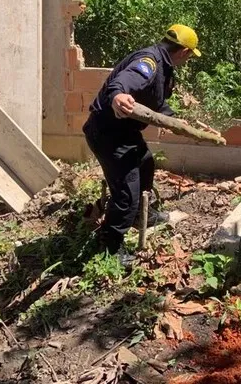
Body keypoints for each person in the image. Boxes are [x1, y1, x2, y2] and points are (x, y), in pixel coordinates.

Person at [83, 24, 201, 264]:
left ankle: (138, 215)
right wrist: (118, 96)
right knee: (127, 193)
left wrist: (183, 123)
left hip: (124, 133)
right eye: (189, 57)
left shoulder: (162, 65)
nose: (188, 61)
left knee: (146, 163)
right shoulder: (149, 63)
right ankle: (111, 247)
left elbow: (156, 104)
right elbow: (125, 83)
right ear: (184, 52)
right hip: (108, 135)